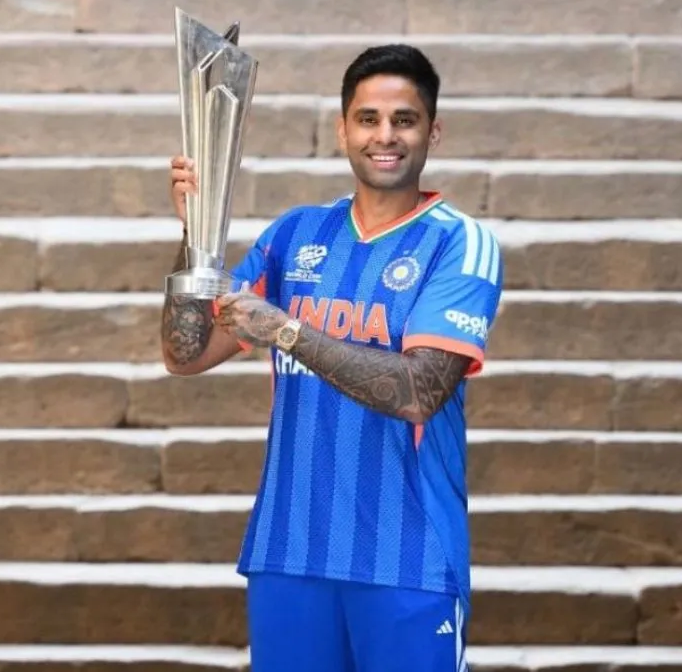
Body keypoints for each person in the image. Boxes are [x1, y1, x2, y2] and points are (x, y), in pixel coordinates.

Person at [161, 43, 503, 672]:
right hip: (288, 551)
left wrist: (290, 332)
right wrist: (196, 237)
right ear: (343, 129)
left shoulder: (459, 242)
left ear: (433, 132)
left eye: (404, 119)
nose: (385, 135)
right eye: (368, 119)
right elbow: (187, 353)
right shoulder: (295, 235)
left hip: (407, 559)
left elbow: (419, 392)